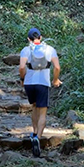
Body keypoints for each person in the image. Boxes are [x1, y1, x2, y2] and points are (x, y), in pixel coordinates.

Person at [19, 27, 62, 157]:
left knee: (34, 107)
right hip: (43, 83)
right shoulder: (49, 49)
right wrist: (55, 79)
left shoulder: (26, 50)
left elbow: (21, 67)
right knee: (42, 111)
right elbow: (57, 67)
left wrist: (22, 79)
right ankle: (38, 137)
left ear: (28, 39)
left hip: (29, 83)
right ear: (41, 37)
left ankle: (34, 132)